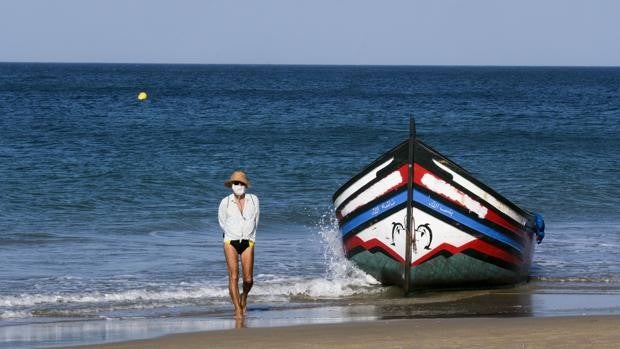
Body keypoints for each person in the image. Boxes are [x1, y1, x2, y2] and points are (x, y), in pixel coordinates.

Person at [218, 170, 259, 319]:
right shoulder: (225, 202)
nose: (238, 185)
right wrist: (231, 234)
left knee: (248, 280)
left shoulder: (253, 200)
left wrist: (251, 238)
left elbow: (256, 220)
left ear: (245, 185)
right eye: (236, 183)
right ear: (231, 185)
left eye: (241, 183)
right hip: (230, 241)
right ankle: (238, 309)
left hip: (248, 241)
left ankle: (244, 297)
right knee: (234, 277)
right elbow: (222, 222)